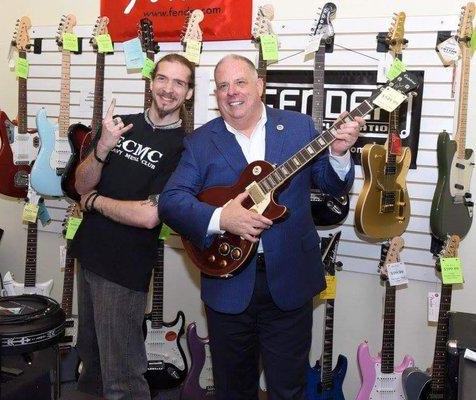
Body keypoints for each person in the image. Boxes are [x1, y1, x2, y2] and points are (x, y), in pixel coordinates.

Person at [158, 54, 364, 399]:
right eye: (222, 85)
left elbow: (331, 185)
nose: (231, 92)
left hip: (290, 282)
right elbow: (171, 201)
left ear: (260, 86)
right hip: (229, 284)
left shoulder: (299, 128)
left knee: (289, 388)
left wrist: (340, 154)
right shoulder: (201, 141)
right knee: (234, 389)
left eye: (240, 82)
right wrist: (222, 218)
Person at [70, 53, 194, 399]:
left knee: (123, 377)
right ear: (151, 82)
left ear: (189, 93)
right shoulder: (120, 125)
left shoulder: (186, 148)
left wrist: (95, 203)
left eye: (179, 83)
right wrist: (102, 150)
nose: (168, 89)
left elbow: (149, 215)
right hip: (88, 253)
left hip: (124, 270)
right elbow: (81, 185)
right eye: (163, 79)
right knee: (92, 363)